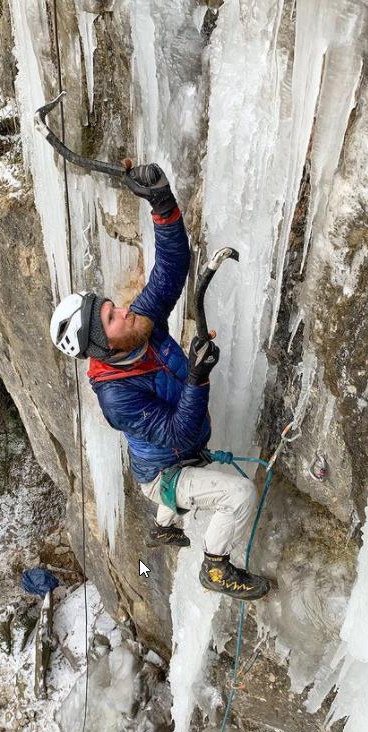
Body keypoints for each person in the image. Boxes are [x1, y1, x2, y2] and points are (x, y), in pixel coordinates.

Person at [49, 163, 270, 601]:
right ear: (100, 346)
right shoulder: (116, 397)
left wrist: (162, 204)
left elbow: (171, 269)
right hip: (165, 472)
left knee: (187, 477)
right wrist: (197, 377)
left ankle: (163, 526)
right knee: (240, 495)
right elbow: (177, 432)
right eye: (110, 318)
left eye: (113, 306)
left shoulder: (140, 327)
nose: (123, 311)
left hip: (173, 455)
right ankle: (216, 567)